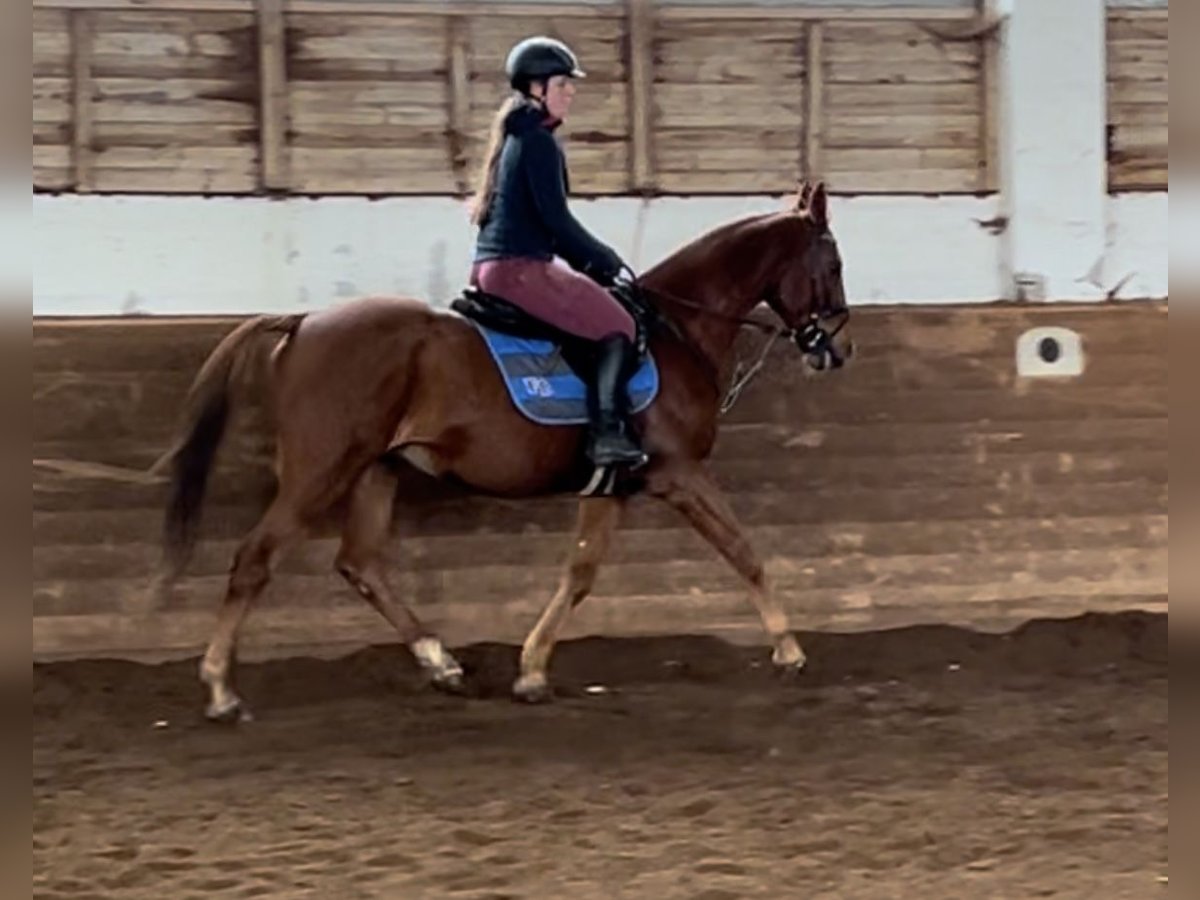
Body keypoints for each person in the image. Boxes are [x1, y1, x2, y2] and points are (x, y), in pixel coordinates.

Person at [467, 35, 648, 470]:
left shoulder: (521, 134)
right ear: (535, 88)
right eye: (562, 83)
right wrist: (606, 261)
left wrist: (590, 265)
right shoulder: (538, 143)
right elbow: (557, 222)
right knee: (620, 325)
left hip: (497, 267)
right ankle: (606, 434)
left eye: (570, 84)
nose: (570, 92)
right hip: (520, 270)